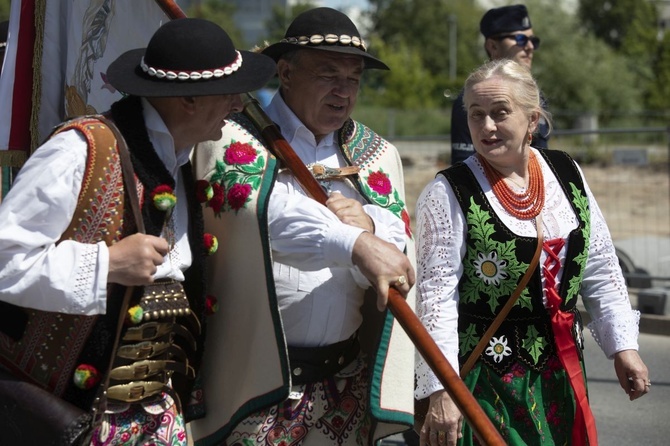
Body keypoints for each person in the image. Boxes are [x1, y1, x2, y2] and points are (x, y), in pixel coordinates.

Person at [0, 18, 275, 445]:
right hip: (71, 415)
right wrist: (105, 263)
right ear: (187, 97)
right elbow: (4, 262)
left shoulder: (185, 160)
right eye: (228, 93)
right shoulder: (79, 151)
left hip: (159, 416)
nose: (239, 105)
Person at [188, 7, 416, 445]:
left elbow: (399, 246)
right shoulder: (228, 137)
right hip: (251, 385)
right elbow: (254, 217)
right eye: (327, 74)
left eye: (353, 78)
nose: (342, 91)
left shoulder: (374, 153)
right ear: (286, 72)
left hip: (343, 384)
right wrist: (351, 240)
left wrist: (371, 223)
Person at [415, 58, 650, 446]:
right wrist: (443, 390)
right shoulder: (448, 193)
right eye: (476, 115)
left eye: (500, 113)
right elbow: (435, 300)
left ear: (533, 120)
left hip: (561, 374)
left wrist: (624, 347)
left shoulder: (566, 172)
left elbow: (600, 266)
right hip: (485, 383)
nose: (487, 126)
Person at [450, 4, 549, 165]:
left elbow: (544, 159)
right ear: (493, 46)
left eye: (533, 40)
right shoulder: (472, 100)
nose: (530, 47)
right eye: (520, 39)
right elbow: (462, 168)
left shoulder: (539, 97)